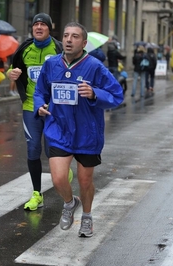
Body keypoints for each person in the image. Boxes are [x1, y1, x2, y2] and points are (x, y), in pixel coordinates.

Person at [33, 22, 123, 237]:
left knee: (84, 181)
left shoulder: (95, 67)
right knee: (58, 179)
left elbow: (116, 95)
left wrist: (94, 94)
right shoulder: (51, 64)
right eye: (65, 35)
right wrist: (40, 106)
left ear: (84, 43)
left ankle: (87, 216)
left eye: (74, 36)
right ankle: (69, 202)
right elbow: (40, 91)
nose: (68, 40)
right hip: (58, 129)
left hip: (87, 132)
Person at [7, 13, 63, 211]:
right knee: (33, 149)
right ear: (32, 28)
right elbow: (12, 69)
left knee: (52, 151)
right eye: (36, 25)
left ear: (49, 29)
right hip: (30, 106)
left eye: (43, 25)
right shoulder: (25, 49)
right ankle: (37, 194)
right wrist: (11, 74)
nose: (39, 27)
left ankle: (64, 174)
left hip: (54, 108)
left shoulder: (58, 48)